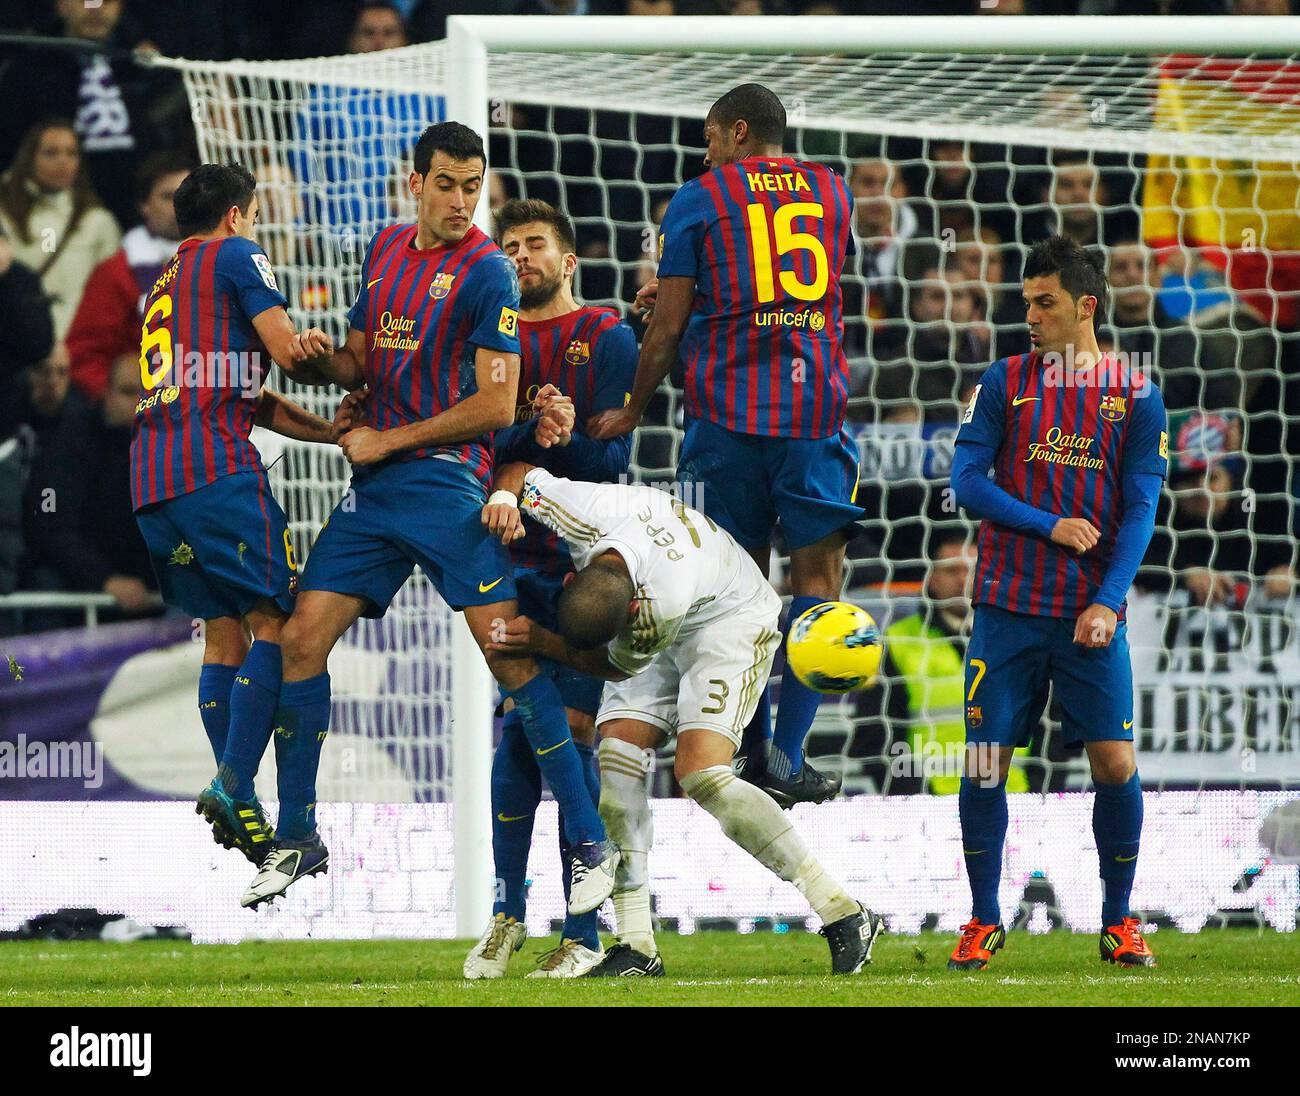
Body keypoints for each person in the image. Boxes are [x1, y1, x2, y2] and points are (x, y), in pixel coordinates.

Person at [247, 123, 619, 913]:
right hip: (377, 493)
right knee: (301, 639)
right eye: (446, 184)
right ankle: (299, 830)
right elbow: (358, 362)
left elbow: (495, 405)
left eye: (472, 187)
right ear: (415, 183)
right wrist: (320, 359)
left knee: (508, 653)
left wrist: (388, 437)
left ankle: (590, 844)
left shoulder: (488, 271)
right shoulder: (384, 249)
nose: (460, 201)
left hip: (448, 482)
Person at [481, 461, 885, 977]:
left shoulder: (657, 609)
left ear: (631, 612)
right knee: (618, 759)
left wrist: (542, 641)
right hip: (684, 586)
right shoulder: (583, 510)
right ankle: (636, 946)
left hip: (730, 616)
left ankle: (842, 910)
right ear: (572, 576)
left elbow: (612, 664)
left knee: (702, 773)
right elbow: (518, 470)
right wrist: (505, 498)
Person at [591, 83, 861, 808]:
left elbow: (669, 327)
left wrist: (632, 408)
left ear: (738, 132)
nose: (706, 153)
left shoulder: (699, 197)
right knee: (819, 586)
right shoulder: (834, 191)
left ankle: (743, 748)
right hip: (813, 417)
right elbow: (800, 289)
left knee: (737, 589)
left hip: (725, 421)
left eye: (711, 137)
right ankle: (788, 757)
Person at [949, 235, 1168, 970]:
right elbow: (966, 482)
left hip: (1087, 615)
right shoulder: (1004, 380)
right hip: (1006, 608)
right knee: (985, 764)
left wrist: (1107, 600)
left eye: (1045, 303)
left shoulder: (1136, 396)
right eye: (1027, 302)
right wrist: (1049, 524)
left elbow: (1140, 511)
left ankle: (1119, 920)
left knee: (1115, 763)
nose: (1031, 316)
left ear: (1086, 306)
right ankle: (983, 920)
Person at [130, 163, 344, 870]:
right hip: (215, 472)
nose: (253, 227)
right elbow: (285, 352)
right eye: (252, 216)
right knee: (279, 627)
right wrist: (346, 366)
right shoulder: (236, 254)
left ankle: (240, 799)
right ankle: (232, 783)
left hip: (154, 481)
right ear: (234, 215)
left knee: (224, 636)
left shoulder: (165, 284)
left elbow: (243, 393)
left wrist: (331, 433)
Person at [463, 198, 636, 979]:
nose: (520, 256)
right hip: (503, 559)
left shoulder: (606, 336)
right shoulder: (488, 331)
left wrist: (559, 442)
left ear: (567, 261)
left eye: (534, 244)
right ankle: (507, 915)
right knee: (518, 731)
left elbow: (612, 461)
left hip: (582, 567)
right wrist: (526, 434)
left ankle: (584, 932)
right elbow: (475, 439)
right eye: (508, 246)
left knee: (568, 728)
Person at [67, 152, 191, 402]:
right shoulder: (116, 273)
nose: (181, 205)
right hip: (145, 413)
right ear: (144, 205)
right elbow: (85, 354)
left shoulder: (225, 264)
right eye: (168, 196)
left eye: (189, 196)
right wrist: (120, 401)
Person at [0, 119, 121, 339]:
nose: (62, 161)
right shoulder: (4, 215)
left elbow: (111, 294)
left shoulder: (98, 221)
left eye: (71, 153)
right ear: (29, 158)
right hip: (20, 342)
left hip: (80, 342)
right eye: (51, 152)